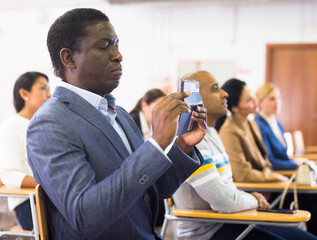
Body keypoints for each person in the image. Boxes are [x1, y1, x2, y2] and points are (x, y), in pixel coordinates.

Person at [26, 8, 207, 240]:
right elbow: (84, 216)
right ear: (69, 58)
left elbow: (152, 190)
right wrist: (156, 143)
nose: (118, 55)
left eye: (117, 45)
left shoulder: (118, 114)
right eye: (104, 46)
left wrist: (182, 146)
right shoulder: (50, 123)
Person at [173, 71, 317, 240]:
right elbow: (223, 202)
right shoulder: (193, 140)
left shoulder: (211, 134)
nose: (225, 93)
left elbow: (226, 190)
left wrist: (251, 197)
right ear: (195, 98)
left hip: (232, 220)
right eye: (215, 89)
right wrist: (254, 199)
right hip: (210, 232)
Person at [217, 78, 317, 240]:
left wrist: (273, 177)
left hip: (268, 184)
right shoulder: (230, 131)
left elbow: (265, 161)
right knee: (315, 197)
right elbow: (243, 174)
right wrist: (274, 178)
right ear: (235, 108)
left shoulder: (250, 125)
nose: (255, 101)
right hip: (256, 190)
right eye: (249, 99)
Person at [255, 83, 317, 216]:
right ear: (259, 103)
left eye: (279, 98)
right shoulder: (258, 125)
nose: (278, 102)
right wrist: (296, 165)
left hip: (288, 167)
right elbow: (270, 161)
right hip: (281, 173)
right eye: (272, 99)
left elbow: (284, 155)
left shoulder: (276, 123)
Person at [0, 71, 51, 230]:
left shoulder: (46, 126)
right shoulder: (12, 125)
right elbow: (8, 175)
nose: (49, 94)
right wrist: (52, 184)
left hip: (50, 197)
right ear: (24, 93)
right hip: (30, 204)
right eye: (43, 88)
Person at [129, 88, 166, 231]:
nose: (160, 113)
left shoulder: (156, 125)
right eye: (157, 108)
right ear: (144, 106)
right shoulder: (132, 123)